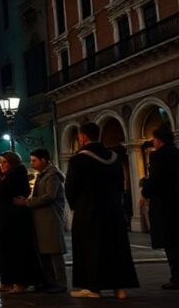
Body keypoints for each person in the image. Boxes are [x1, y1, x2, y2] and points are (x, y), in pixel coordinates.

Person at [66, 122, 138, 299]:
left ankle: (93, 288)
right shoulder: (114, 157)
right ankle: (119, 288)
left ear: (83, 137)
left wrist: (77, 206)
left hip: (88, 211)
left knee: (90, 249)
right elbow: (121, 185)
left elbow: (71, 188)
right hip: (113, 211)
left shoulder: (78, 159)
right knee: (116, 247)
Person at [141, 125, 179, 290]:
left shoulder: (158, 156)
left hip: (166, 206)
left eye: (154, 139)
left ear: (158, 140)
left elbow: (155, 180)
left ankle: (178, 278)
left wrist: (145, 194)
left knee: (171, 244)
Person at [0, 151, 43, 293]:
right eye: (0, 162)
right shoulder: (1, 177)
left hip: (13, 220)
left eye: (4, 162)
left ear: (12, 162)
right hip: (0, 221)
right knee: (2, 251)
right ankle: (6, 282)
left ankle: (21, 282)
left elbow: (3, 191)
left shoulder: (18, 174)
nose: (1, 165)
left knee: (16, 252)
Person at [13, 148, 67, 293]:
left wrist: (27, 202)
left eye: (34, 160)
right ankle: (49, 281)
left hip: (50, 217)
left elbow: (50, 195)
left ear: (43, 160)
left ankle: (61, 283)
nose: (32, 163)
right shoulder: (42, 175)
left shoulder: (52, 175)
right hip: (40, 218)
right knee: (44, 251)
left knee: (55, 251)